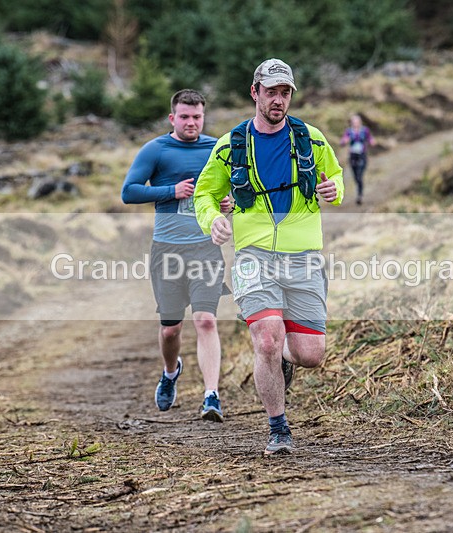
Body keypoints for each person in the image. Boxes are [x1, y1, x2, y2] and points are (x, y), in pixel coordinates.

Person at [194, 58, 344, 455]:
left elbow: (336, 175)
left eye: (285, 93)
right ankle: (278, 429)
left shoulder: (310, 137)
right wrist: (212, 220)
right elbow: (205, 193)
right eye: (271, 92)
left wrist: (335, 191)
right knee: (266, 338)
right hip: (253, 255)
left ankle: (284, 359)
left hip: (304, 256)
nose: (279, 100)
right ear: (254, 92)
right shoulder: (231, 145)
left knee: (311, 355)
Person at [121, 89, 232, 422]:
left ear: (203, 117)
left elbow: (232, 191)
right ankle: (171, 371)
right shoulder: (156, 149)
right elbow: (129, 191)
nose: (191, 123)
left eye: (197, 117)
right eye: (184, 117)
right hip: (167, 251)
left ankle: (211, 396)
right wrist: (171, 191)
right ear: (173, 118)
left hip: (205, 248)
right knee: (171, 329)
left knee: (206, 320)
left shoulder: (215, 149)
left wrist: (228, 204)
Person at [339, 113, 375, 205]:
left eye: (357, 121)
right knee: (356, 176)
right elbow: (342, 141)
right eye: (353, 122)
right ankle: (359, 192)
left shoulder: (365, 130)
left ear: (360, 122)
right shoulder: (349, 131)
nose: (355, 123)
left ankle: (360, 195)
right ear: (351, 123)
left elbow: (370, 138)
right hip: (353, 156)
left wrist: (372, 141)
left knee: (359, 176)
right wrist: (344, 141)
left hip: (362, 155)